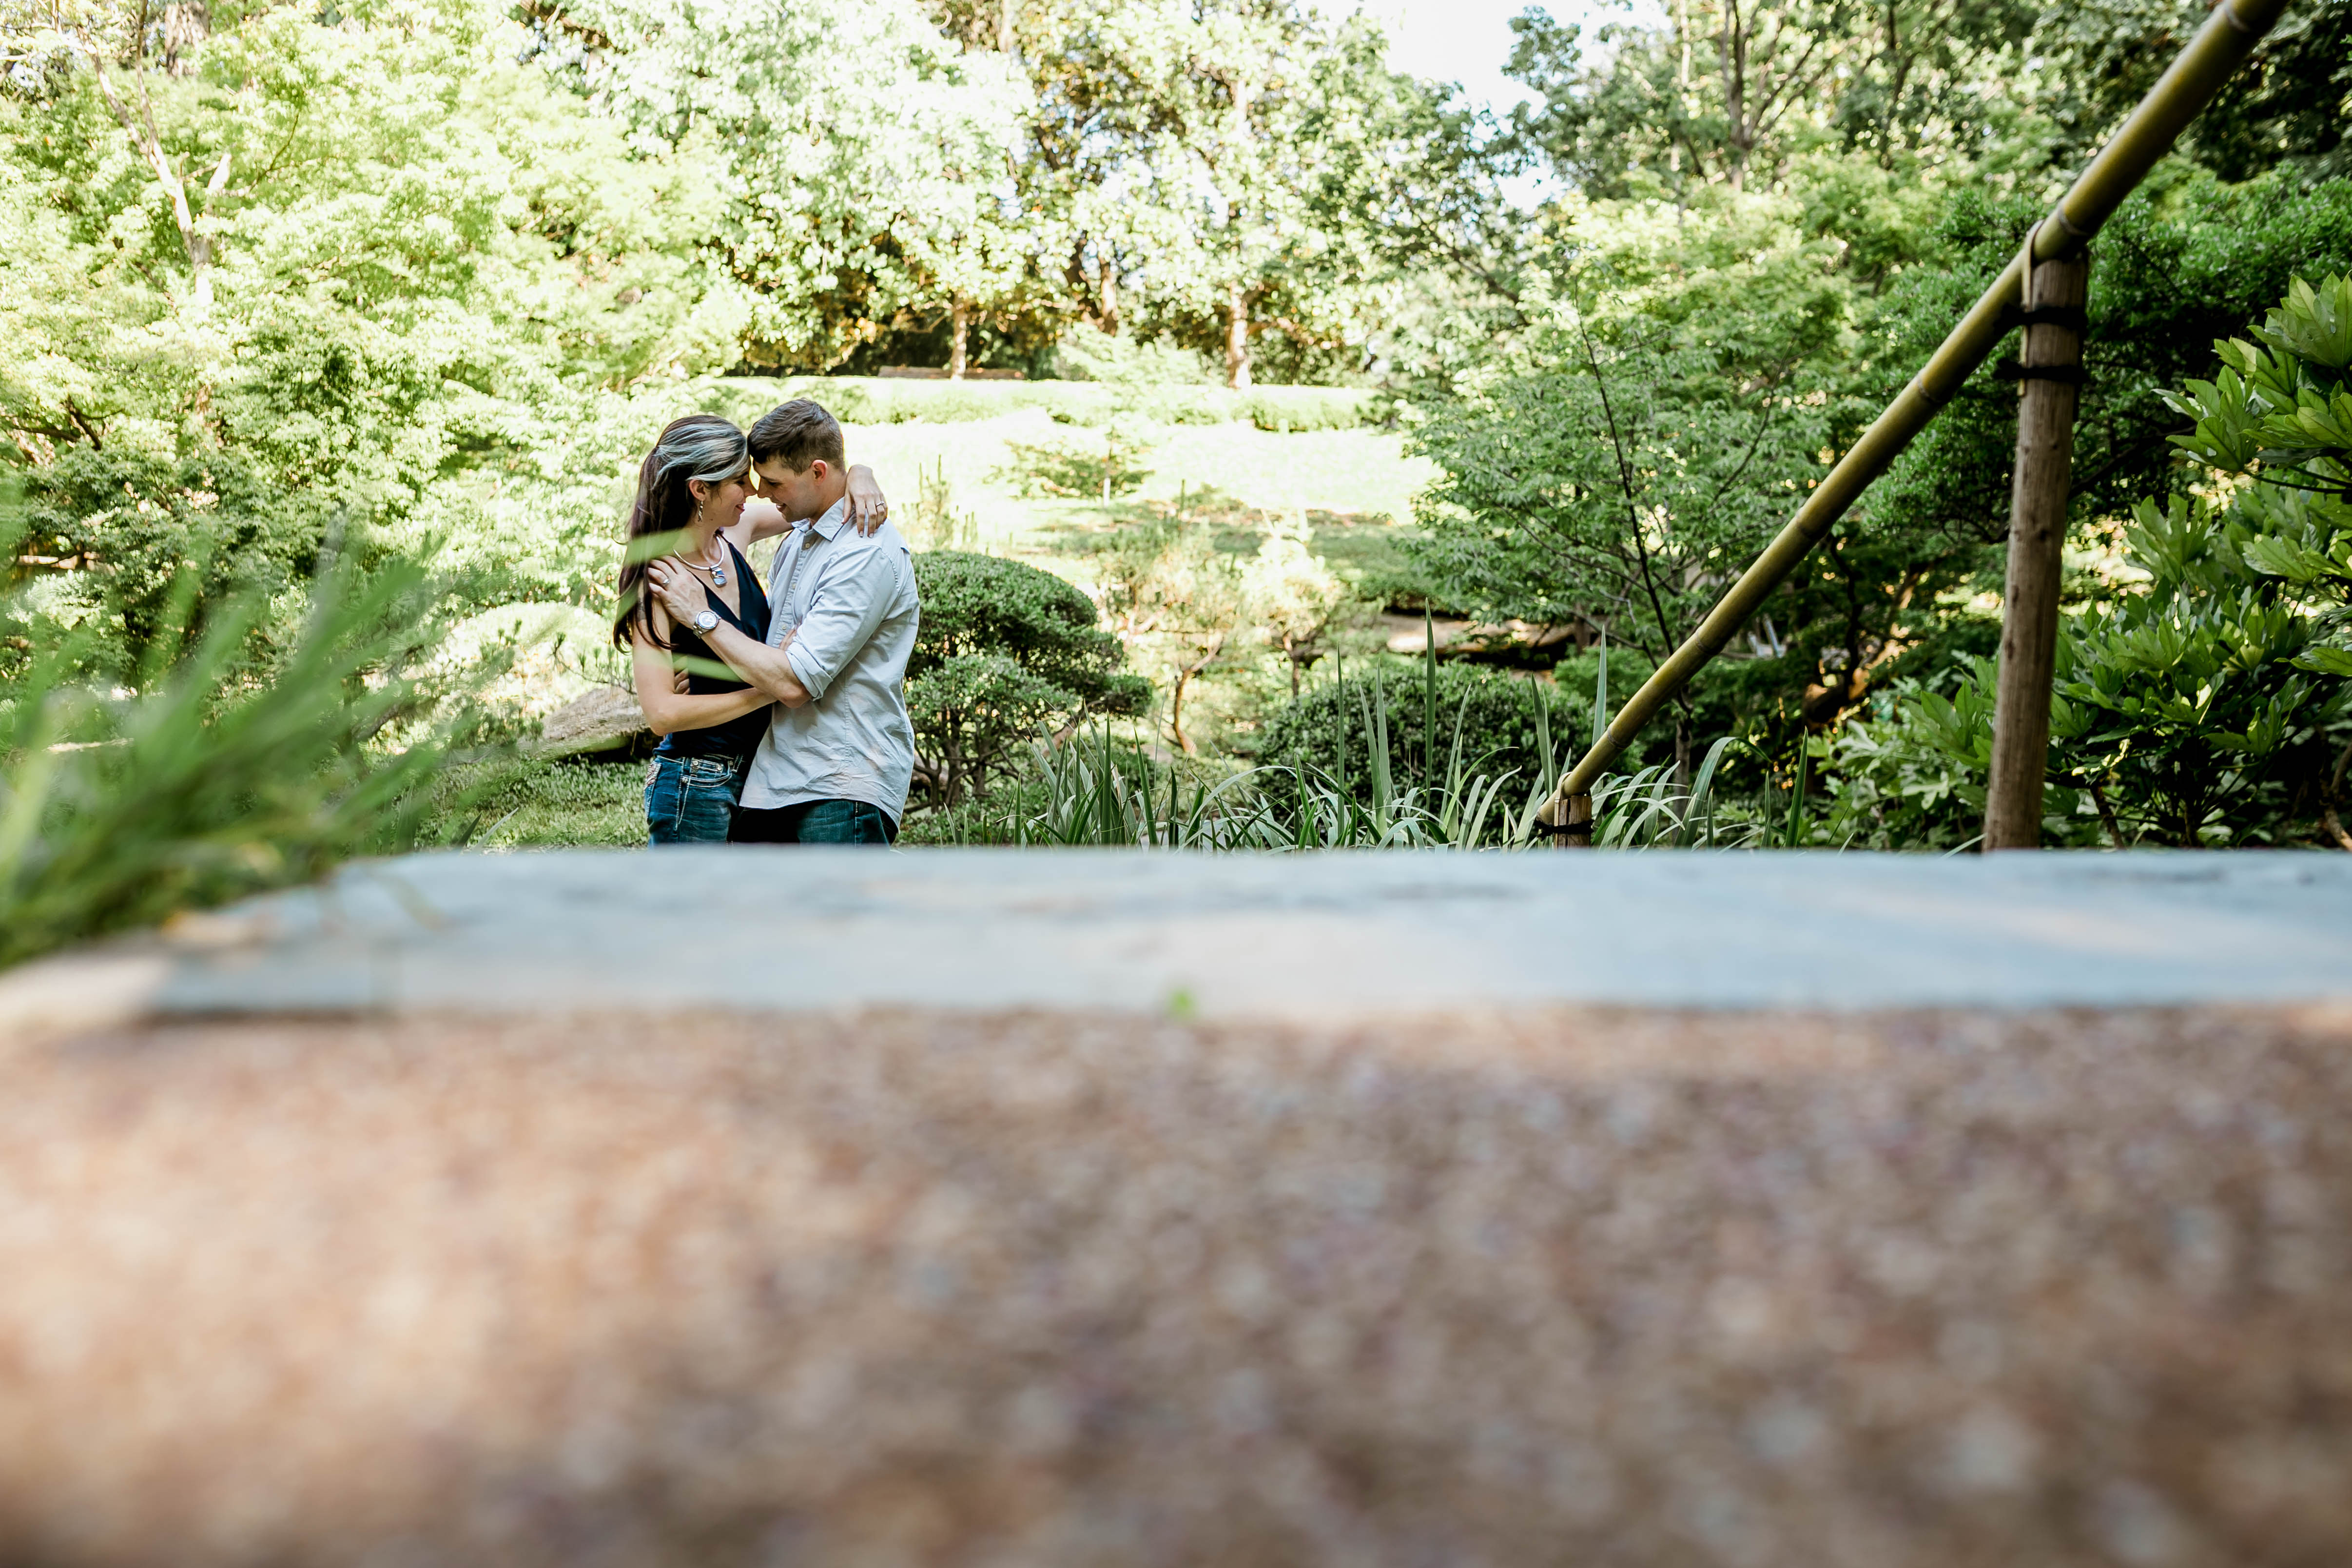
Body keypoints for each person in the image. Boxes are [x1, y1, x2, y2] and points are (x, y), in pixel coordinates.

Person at [645, 399, 918, 844]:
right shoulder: (798, 534)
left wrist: (701, 617)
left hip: (838, 779)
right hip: (774, 778)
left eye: (772, 482)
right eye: (747, 479)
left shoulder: (863, 552)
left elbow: (793, 684)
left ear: (817, 473)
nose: (760, 492)